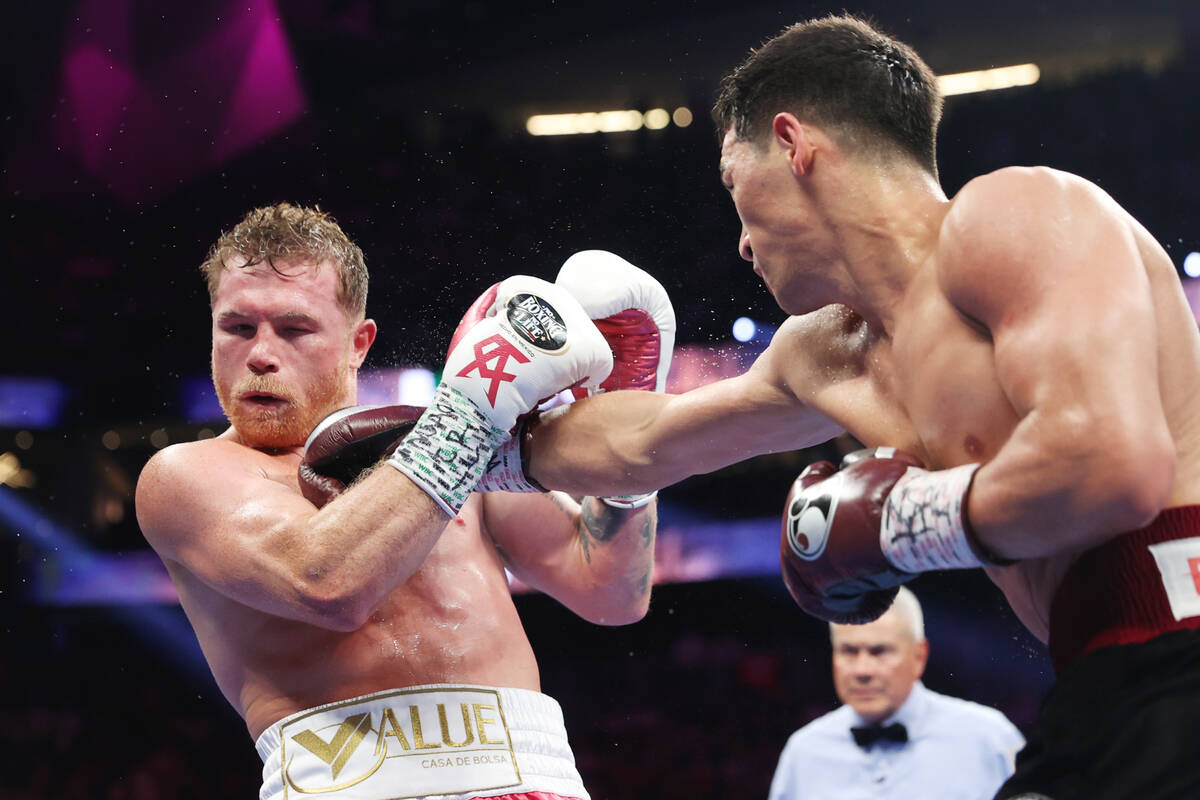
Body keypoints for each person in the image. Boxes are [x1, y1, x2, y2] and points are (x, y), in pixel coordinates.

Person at [508, 14, 1200, 799]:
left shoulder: (1018, 215)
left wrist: (896, 524)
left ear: (794, 144)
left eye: (735, 185)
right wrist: (460, 435)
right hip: (1102, 683)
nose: (738, 242)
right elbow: (643, 443)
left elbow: (1116, 467)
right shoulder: (825, 354)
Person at [134, 203, 671, 800]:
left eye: (293, 329)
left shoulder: (447, 439)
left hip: (532, 772)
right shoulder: (186, 476)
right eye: (237, 328)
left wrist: (626, 470)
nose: (260, 353)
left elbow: (614, 594)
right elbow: (327, 582)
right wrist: (469, 414)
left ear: (358, 344)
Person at [768, 587, 1023, 800]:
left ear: (918, 655)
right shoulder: (804, 752)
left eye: (880, 651)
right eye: (848, 651)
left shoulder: (989, 739)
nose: (862, 670)